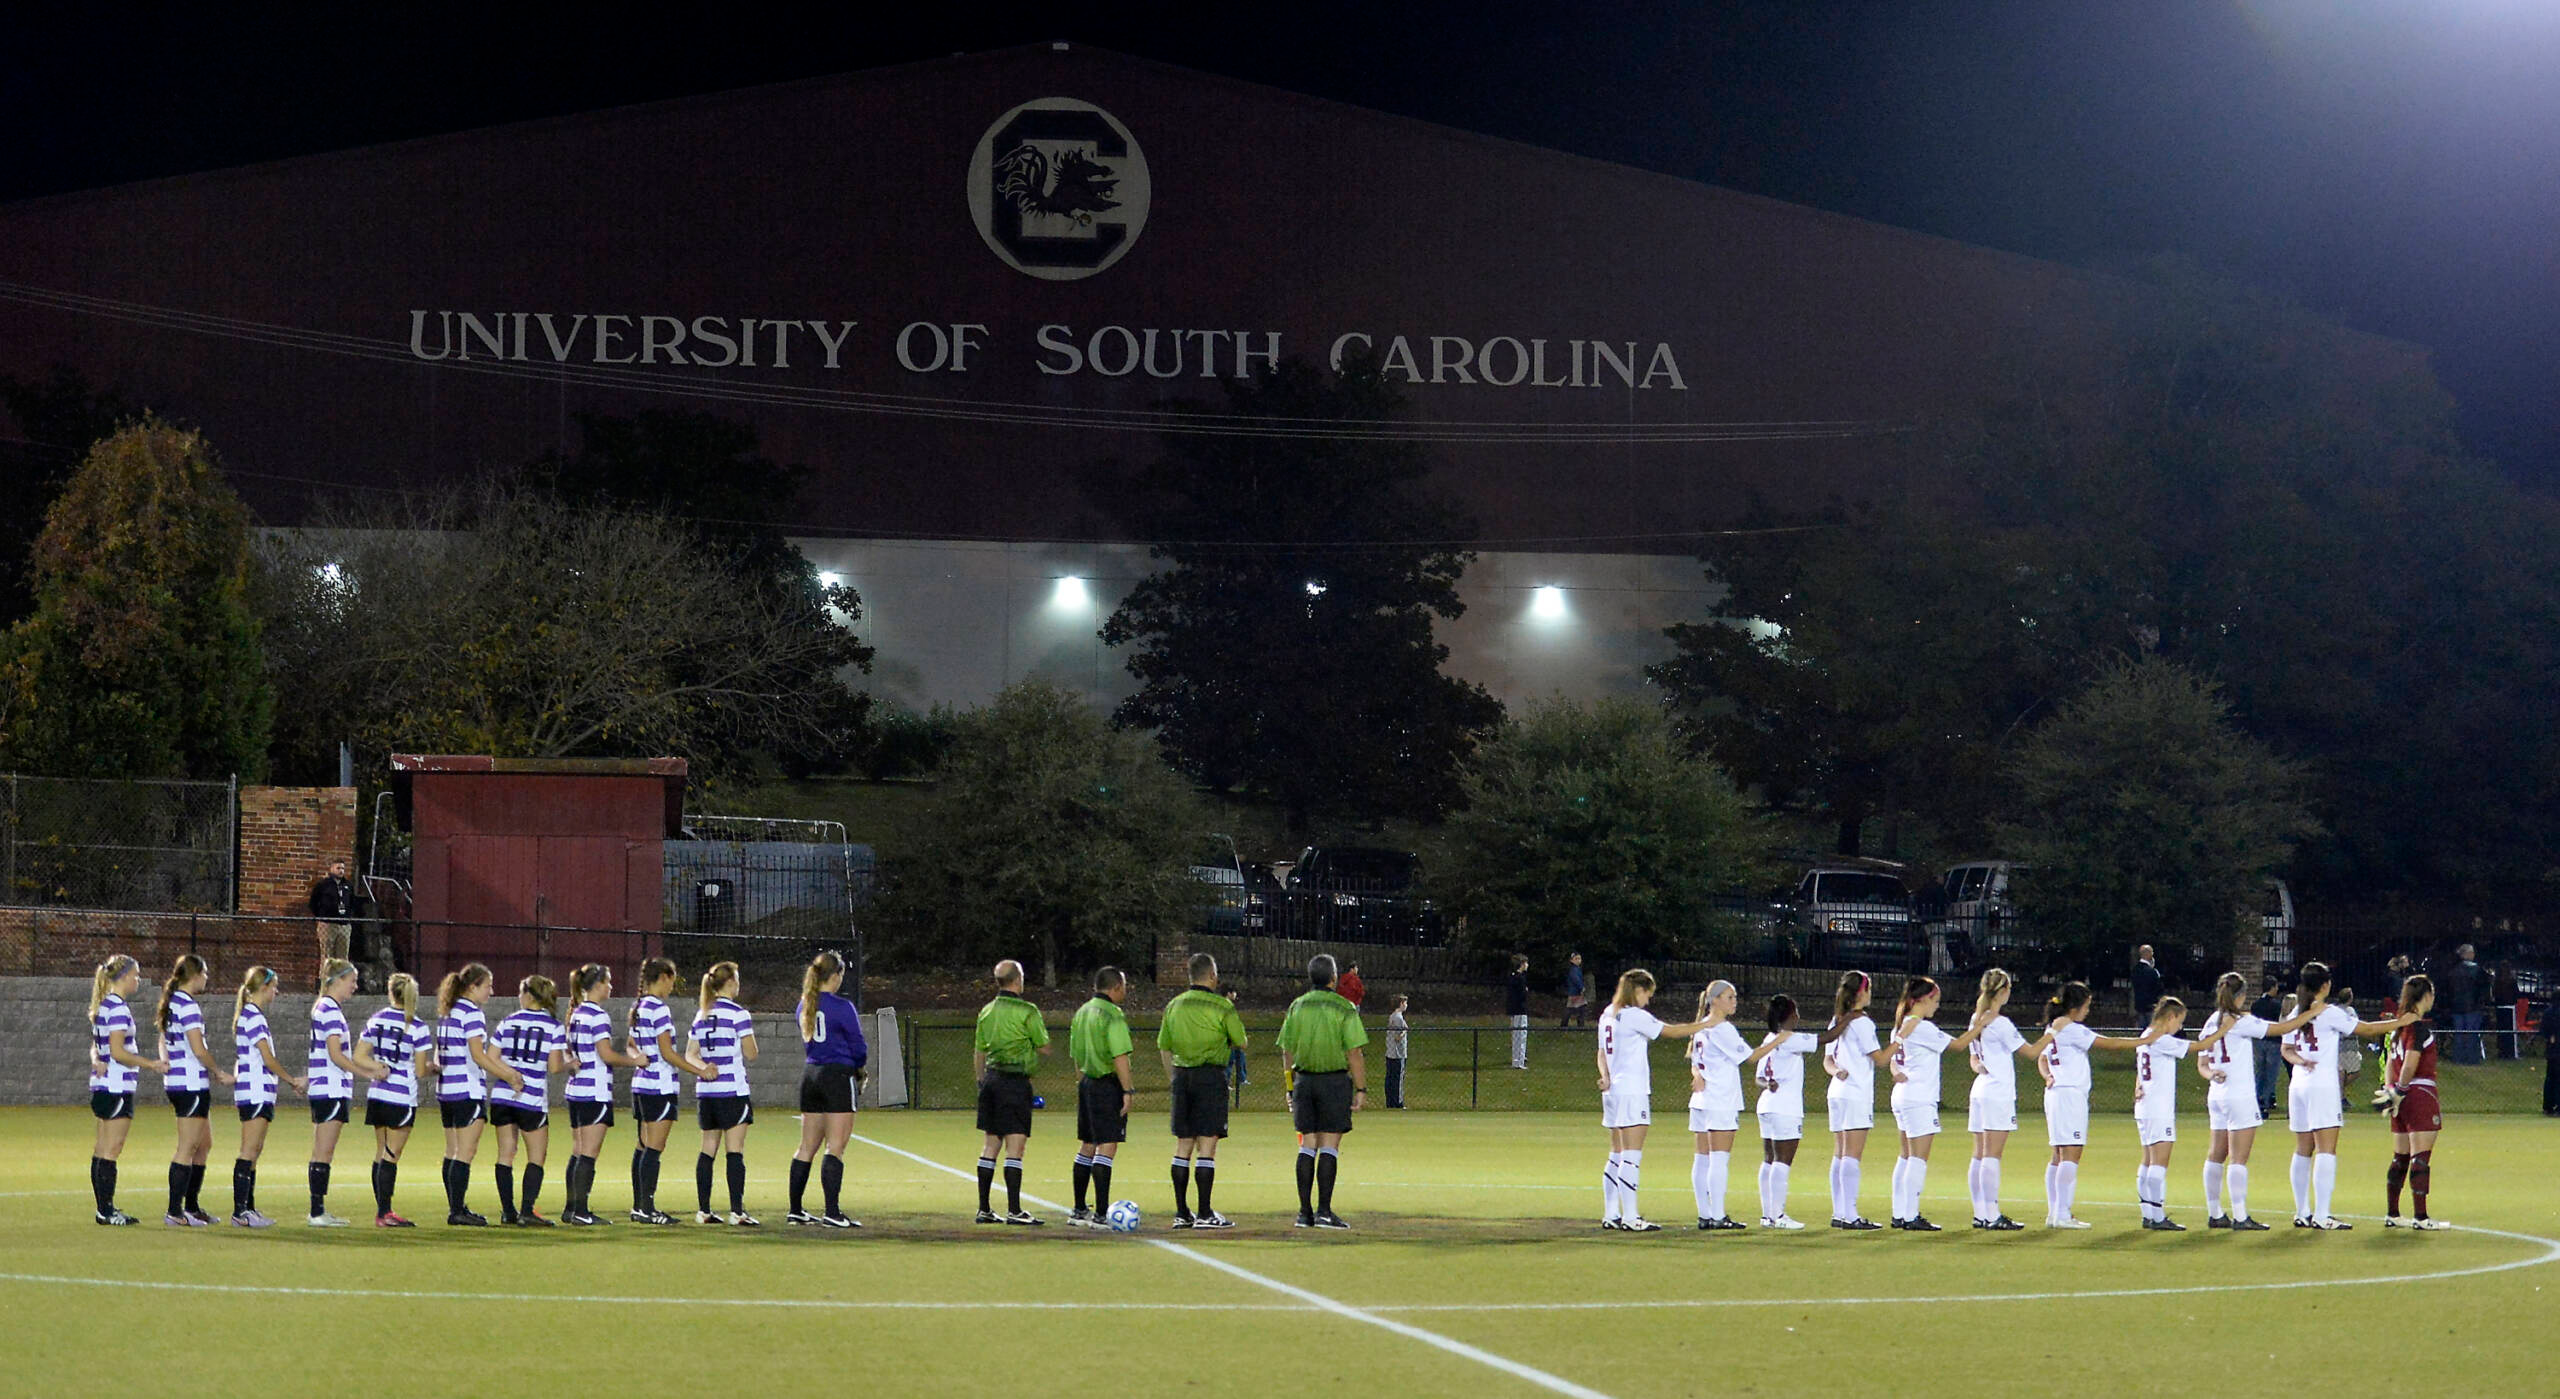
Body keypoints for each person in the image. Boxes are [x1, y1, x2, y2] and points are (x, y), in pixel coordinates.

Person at [2280, 960, 2415, 1229]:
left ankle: (2302, 1211)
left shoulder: (2297, 1010)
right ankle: (2322, 1215)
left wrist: (2300, 1061)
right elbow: (2365, 1029)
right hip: (2322, 1086)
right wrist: (2400, 1022)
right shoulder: (2327, 1011)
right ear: (2326, 985)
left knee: (2303, 1149)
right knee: (2326, 1150)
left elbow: (2286, 1049)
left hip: (2298, 1085)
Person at [2029, 981, 2170, 1229]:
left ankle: (2055, 1213)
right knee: (2071, 1153)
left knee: (2058, 1155)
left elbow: (2043, 1058)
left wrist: (2047, 1075)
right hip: (2069, 1095)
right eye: (2087, 1005)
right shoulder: (2070, 1028)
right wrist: (2143, 1041)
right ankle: (2061, 1214)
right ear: (2076, 1007)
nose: (2088, 1010)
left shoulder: (2055, 1026)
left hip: (2056, 1094)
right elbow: (2110, 1044)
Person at [2196, 970, 2328, 1231]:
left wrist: (2212, 1074)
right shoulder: (2239, 1020)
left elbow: (2202, 1063)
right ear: (2242, 996)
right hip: (2239, 1095)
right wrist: (2310, 1013)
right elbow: (2279, 1029)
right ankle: (2241, 1215)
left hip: (2217, 1094)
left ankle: (2215, 1213)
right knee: (2238, 1158)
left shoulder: (2212, 1021)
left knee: (2215, 1154)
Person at [1595, 968, 1710, 1232]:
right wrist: (1706, 1023)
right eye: (1648, 993)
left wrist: (1605, 1076)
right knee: (1631, 1156)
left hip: (1613, 1093)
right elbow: (1671, 1032)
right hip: (1632, 1091)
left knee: (1616, 1154)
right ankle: (1631, 1216)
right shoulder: (1634, 1015)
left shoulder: (1607, 1015)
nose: (1649, 999)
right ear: (1638, 991)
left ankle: (1611, 1213)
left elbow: (1601, 1052)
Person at [1883, 975, 1992, 1231]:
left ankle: (1900, 1212)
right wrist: (1980, 1026)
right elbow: (1958, 1045)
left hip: (1902, 1094)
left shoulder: (1901, 1024)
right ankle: (1910, 1215)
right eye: (1935, 1000)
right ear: (1922, 999)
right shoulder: (1921, 1027)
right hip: (1919, 1097)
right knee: (1918, 1158)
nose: (1937, 1006)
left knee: (1906, 1156)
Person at [1686, 980, 1793, 1230]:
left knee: (1702, 1159)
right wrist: (1779, 1040)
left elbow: (1695, 1060)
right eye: (1730, 997)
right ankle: (1717, 1215)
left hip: (1702, 1101)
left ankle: (1705, 1214)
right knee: (1718, 1159)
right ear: (1715, 1000)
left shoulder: (1701, 1027)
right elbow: (1750, 1057)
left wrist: (1698, 1076)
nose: (1735, 1002)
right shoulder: (1722, 1028)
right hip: (1720, 1100)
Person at [2130, 997, 2239, 1230]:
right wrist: (2224, 1030)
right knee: (2159, 1162)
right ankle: (2158, 1217)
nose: (2180, 1027)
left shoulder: (2145, 1035)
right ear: (2170, 1017)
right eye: (2179, 1022)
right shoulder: (2162, 1039)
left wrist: (2137, 1085)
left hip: (2144, 1106)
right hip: (2158, 1109)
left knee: (2147, 1161)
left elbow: (2140, 1069)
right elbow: (2199, 1047)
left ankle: (2148, 1213)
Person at [1278, 953, 1370, 1229]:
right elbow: (1354, 1052)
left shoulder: (1297, 1006)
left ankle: (1304, 1214)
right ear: (1333, 978)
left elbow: (1286, 1050)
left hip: (1304, 1081)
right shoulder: (1344, 1008)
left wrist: (1290, 1085)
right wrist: (1361, 1088)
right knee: (1329, 1146)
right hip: (1333, 1082)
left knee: (1308, 1145)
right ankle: (1324, 1212)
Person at [1159, 952, 1248, 1229]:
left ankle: (1182, 1213)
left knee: (1183, 1145)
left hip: (1182, 1077)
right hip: (1210, 1077)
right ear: (1212, 975)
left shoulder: (1174, 1006)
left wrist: (1173, 1078)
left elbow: (1164, 1046)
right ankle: (1205, 1213)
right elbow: (1241, 1041)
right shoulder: (1222, 1006)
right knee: (1207, 1145)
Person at [625, 957, 712, 1224]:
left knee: (642, 1145)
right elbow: (667, 1053)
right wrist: (700, 1071)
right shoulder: (659, 1009)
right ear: (662, 977)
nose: (672, 986)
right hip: (659, 1086)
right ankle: (647, 1208)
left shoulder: (638, 1006)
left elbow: (630, 1045)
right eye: (671, 979)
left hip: (641, 1083)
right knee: (654, 1147)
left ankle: (639, 1206)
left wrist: (638, 1057)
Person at [435, 962, 521, 1226]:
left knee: (452, 1151)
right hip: (466, 1089)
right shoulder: (472, 1013)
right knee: (465, 1152)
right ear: (473, 987)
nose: (490, 992)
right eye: (487, 986)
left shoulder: (448, 1011)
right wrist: (508, 1075)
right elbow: (478, 1055)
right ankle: (457, 1211)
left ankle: (456, 1207)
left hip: (446, 1089)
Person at [563, 963, 647, 1228]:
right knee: (588, 1153)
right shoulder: (597, 1016)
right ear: (597, 985)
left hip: (576, 1089)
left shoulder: (575, 1013)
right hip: (594, 1091)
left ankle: (571, 1209)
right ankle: (581, 1210)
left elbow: (568, 1051)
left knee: (578, 1151)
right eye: (607, 982)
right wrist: (635, 1061)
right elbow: (606, 1054)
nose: (610, 987)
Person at [306, 957, 386, 1227]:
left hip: (325, 1087)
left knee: (321, 1150)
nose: (355, 985)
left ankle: (317, 1210)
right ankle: (317, 1212)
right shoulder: (329, 1010)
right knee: (324, 1152)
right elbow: (335, 1054)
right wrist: (368, 1073)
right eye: (351, 980)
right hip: (331, 1088)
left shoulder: (325, 1007)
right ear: (337, 980)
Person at [790, 951, 867, 1229]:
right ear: (834, 977)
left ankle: (796, 1209)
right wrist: (859, 1069)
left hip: (811, 1076)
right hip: (837, 1076)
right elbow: (858, 1047)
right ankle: (832, 1212)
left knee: (806, 1147)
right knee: (835, 1146)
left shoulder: (804, 1005)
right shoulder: (842, 1007)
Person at [970, 959, 1049, 1225]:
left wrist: (981, 1082)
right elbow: (1044, 1046)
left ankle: (984, 1209)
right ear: (1018, 979)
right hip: (1015, 1082)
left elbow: (979, 1051)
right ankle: (1014, 1210)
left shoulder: (987, 1011)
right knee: (1015, 1147)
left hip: (991, 1081)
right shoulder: (1027, 1011)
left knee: (990, 1145)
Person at [156, 954, 229, 1227]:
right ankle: (175, 1212)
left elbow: (163, 1038)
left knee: (204, 1144)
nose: (207, 978)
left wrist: (166, 1060)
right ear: (195, 975)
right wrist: (217, 1071)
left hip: (180, 1082)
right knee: (187, 1147)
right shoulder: (187, 1005)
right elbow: (198, 1049)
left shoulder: (173, 1003)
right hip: (189, 1084)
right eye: (205, 973)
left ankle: (192, 1207)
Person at [89, 955, 162, 1225]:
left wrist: (96, 1060)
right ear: (124, 977)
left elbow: (97, 1046)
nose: (138, 979)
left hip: (103, 1085)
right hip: (117, 1085)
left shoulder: (104, 1005)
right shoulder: (117, 1008)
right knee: (112, 1149)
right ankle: (106, 1211)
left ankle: (103, 1209)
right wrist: (152, 1064)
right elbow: (119, 1052)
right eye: (136, 975)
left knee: (101, 1148)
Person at [227, 965, 302, 1228]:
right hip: (255, 1090)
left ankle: (248, 1208)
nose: (277, 991)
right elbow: (267, 1058)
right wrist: (292, 1080)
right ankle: (240, 1212)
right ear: (263, 988)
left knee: (254, 1151)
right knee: (249, 1150)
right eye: (274, 986)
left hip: (259, 1090)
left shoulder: (252, 1015)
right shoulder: (254, 1017)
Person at [1964, 969, 2038, 1230]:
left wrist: (1980, 1066)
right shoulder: (2000, 1023)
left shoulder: (1976, 1018)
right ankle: (1992, 1214)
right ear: (2003, 991)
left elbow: (1974, 1059)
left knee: (1980, 1155)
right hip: (1997, 1093)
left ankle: (1980, 1212)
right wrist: (2054, 1033)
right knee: (1992, 1156)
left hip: (1981, 1089)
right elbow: (2030, 1052)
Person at [358, 971, 433, 1227]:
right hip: (401, 1095)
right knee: (392, 1154)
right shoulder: (418, 1025)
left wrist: (377, 1065)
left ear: (391, 992)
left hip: (378, 1093)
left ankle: (381, 1210)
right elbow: (421, 1071)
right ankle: (385, 1213)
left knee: (381, 1152)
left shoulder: (377, 1019)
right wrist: (434, 1067)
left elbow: (359, 1056)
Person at [1821, 970, 1893, 1230]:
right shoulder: (1862, 1022)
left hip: (1837, 1091)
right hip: (1855, 1093)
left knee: (1840, 1154)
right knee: (1851, 1156)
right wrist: (1900, 1040)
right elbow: (1881, 1059)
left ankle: (1840, 1212)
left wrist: (1836, 1072)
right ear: (1861, 993)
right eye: (1869, 989)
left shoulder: (1837, 1019)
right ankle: (1850, 1215)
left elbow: (1828, 1060)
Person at [689, 961, 759, 1226]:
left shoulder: (702, 1014)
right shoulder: (739, 1014)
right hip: (732, 1090)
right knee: (735, 1150)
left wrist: (704, 1068)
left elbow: (690, 1054)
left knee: (708, 1148)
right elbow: (751, 1054)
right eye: (737, 979)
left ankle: (704, 1210)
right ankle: (737, 1211)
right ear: (730, 983)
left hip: (706, 1092)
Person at [1067, 965, 1136, 1227]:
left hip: (1086, 1084)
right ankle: (1101, 1214)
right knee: (1107, 1146)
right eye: (1124, 987)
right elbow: (1120, 1056)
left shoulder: (1082, 1012)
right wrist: (1127, 1090)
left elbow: (1076, 1055)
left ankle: (1078, 1209)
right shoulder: (1113, 1015)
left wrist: (1082, 1083)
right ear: (1116, 987)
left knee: (1087, 1144)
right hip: (1107, 1085)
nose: (1125, 992)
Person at [2378, 974, 2446, 1229]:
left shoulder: (2398, 1027)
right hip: (2419, 1094)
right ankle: (2421, 1217)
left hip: (2399, 1097)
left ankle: (2393, 1214)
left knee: (2400, 1157)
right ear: (2426, 996)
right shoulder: (2418, 1027)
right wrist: (2403, 1089)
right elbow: (2410, 1062)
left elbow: (2389, 1063)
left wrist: (2391, 1091)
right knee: (2421, 1157)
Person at [1752, 994, 1821, 1228]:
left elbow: (1759, 1077)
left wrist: (1769, 1084)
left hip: (1767, 1104)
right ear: (1790, 1016)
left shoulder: (1768, 1038)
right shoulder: (1788, 1038)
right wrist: (1847, 1020)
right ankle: (1778, 1216)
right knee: (1783, 1161)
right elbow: (1825, 1039)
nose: (1799, 1016)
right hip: (1785, 1108)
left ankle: (1767, 1215)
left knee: (1769, 1160)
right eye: (1796, 1012)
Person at [2443, 943, 2487, 1065]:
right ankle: (2471, 1058)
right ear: (2467, 954)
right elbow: (2482, 988)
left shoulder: (2453, 971)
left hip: (2456, 1007)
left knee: (2458, 1033)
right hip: (2472, 1007)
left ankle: (2458, 1058)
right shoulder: (2477, 970)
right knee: (2472, 1033)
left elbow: (2448, 989)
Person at [2249, 975, 2287, 1118]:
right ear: (2272, 987)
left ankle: (2256, 1099)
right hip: (2273, 1041)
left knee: (2260, 1072)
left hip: (2259, 1041)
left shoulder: (2256, 1005)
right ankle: (2265, 1102)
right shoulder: (2277, 1005)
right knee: (2271, 1074)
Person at [1382, 995, 1410, 1109]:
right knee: (1397, 1079)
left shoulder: (1394, 1016)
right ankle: (1398, 1103)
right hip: (1397, 1053)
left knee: (1391, 1078)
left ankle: (1391, 1102)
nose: (1406, 1005)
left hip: (1391, 1053)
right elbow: (1397, 1037)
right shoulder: (1398, 1018)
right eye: (1405, 1003)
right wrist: (1404, 1030)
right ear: (1401, 1004)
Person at [1504, 955, 1532, 1069]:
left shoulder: (1512, 977)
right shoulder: (1520, 978)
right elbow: (1522, 994)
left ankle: (1516, 1059)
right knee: (1521, 1035)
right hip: (1520, 1010)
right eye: (1525, 963)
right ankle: (1519, 1062)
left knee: (1516, 1035)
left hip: (1514, 1010)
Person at [2131, 945, 2164, 1023]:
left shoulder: (2135, 970)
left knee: (2142, 1031)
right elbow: (2159, 988)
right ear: (2148, 954)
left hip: (2139, 1005)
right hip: (2151, 1005)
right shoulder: (2152, 971)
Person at [1561, 953, 1589, 1029]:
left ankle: (1566, 1025)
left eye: (1579, 958)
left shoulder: (1576, 969)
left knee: (1577, 1009)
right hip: (1575, 993)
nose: (1578, 960)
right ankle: (1567, 1025)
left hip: (1575, 992)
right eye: (1576, 959)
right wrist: (1581, 987)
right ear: (1571, 960)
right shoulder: (1574, 970)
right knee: (1577, 1009)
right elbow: (1576, 979)